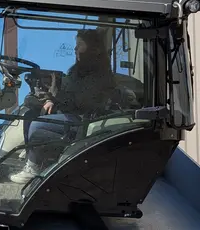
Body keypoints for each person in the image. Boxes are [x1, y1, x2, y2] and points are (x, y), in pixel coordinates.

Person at [10, 28, 132, 183]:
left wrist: (57, 100)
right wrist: (52, 99)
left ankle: (33, 168)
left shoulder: (98, 75)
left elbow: (82, 103)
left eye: (80, 45)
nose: (75, 49)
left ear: (94, 49)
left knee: (36, 126)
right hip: (74, 113)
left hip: (84, 121)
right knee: (29, 114)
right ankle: (30, 154)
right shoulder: (78, 71)